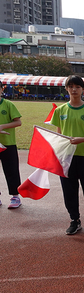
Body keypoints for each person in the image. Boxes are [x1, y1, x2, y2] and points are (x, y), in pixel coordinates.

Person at [51, 75, 84, 234]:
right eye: (71, 86)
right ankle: (74, 220)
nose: (74, 89)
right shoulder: (60, 110)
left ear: (83, 89)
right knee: (69, 190)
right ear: (66, 89)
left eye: (78, 86)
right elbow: (59, 135)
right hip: (67, 157)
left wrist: (83, 139)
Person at [0, 81, 22, 209]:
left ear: (2, 89)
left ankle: (15, 196)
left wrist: (3, 126)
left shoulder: (8, 104)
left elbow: (18, 122)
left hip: (8, 144)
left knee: (11, 170)